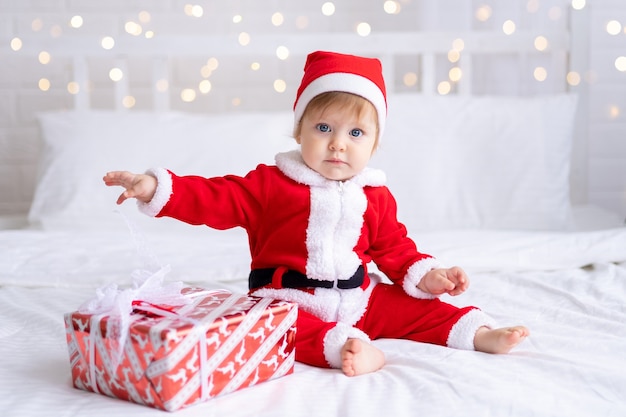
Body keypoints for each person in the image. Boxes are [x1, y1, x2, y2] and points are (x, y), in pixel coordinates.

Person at [103, 51, 529, 377]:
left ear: (374, 144)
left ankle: (477, 334)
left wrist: (428, 275)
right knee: (274, 328)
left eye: (355, 133)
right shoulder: (271, 184)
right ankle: (351, 349)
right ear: (299, 131)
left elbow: (393, 247)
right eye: (324, 128)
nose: (338, 144)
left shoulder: (374, 195)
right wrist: (157, 188)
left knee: (419, 308)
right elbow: (215, 196)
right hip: (288, 297)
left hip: (360, 298)